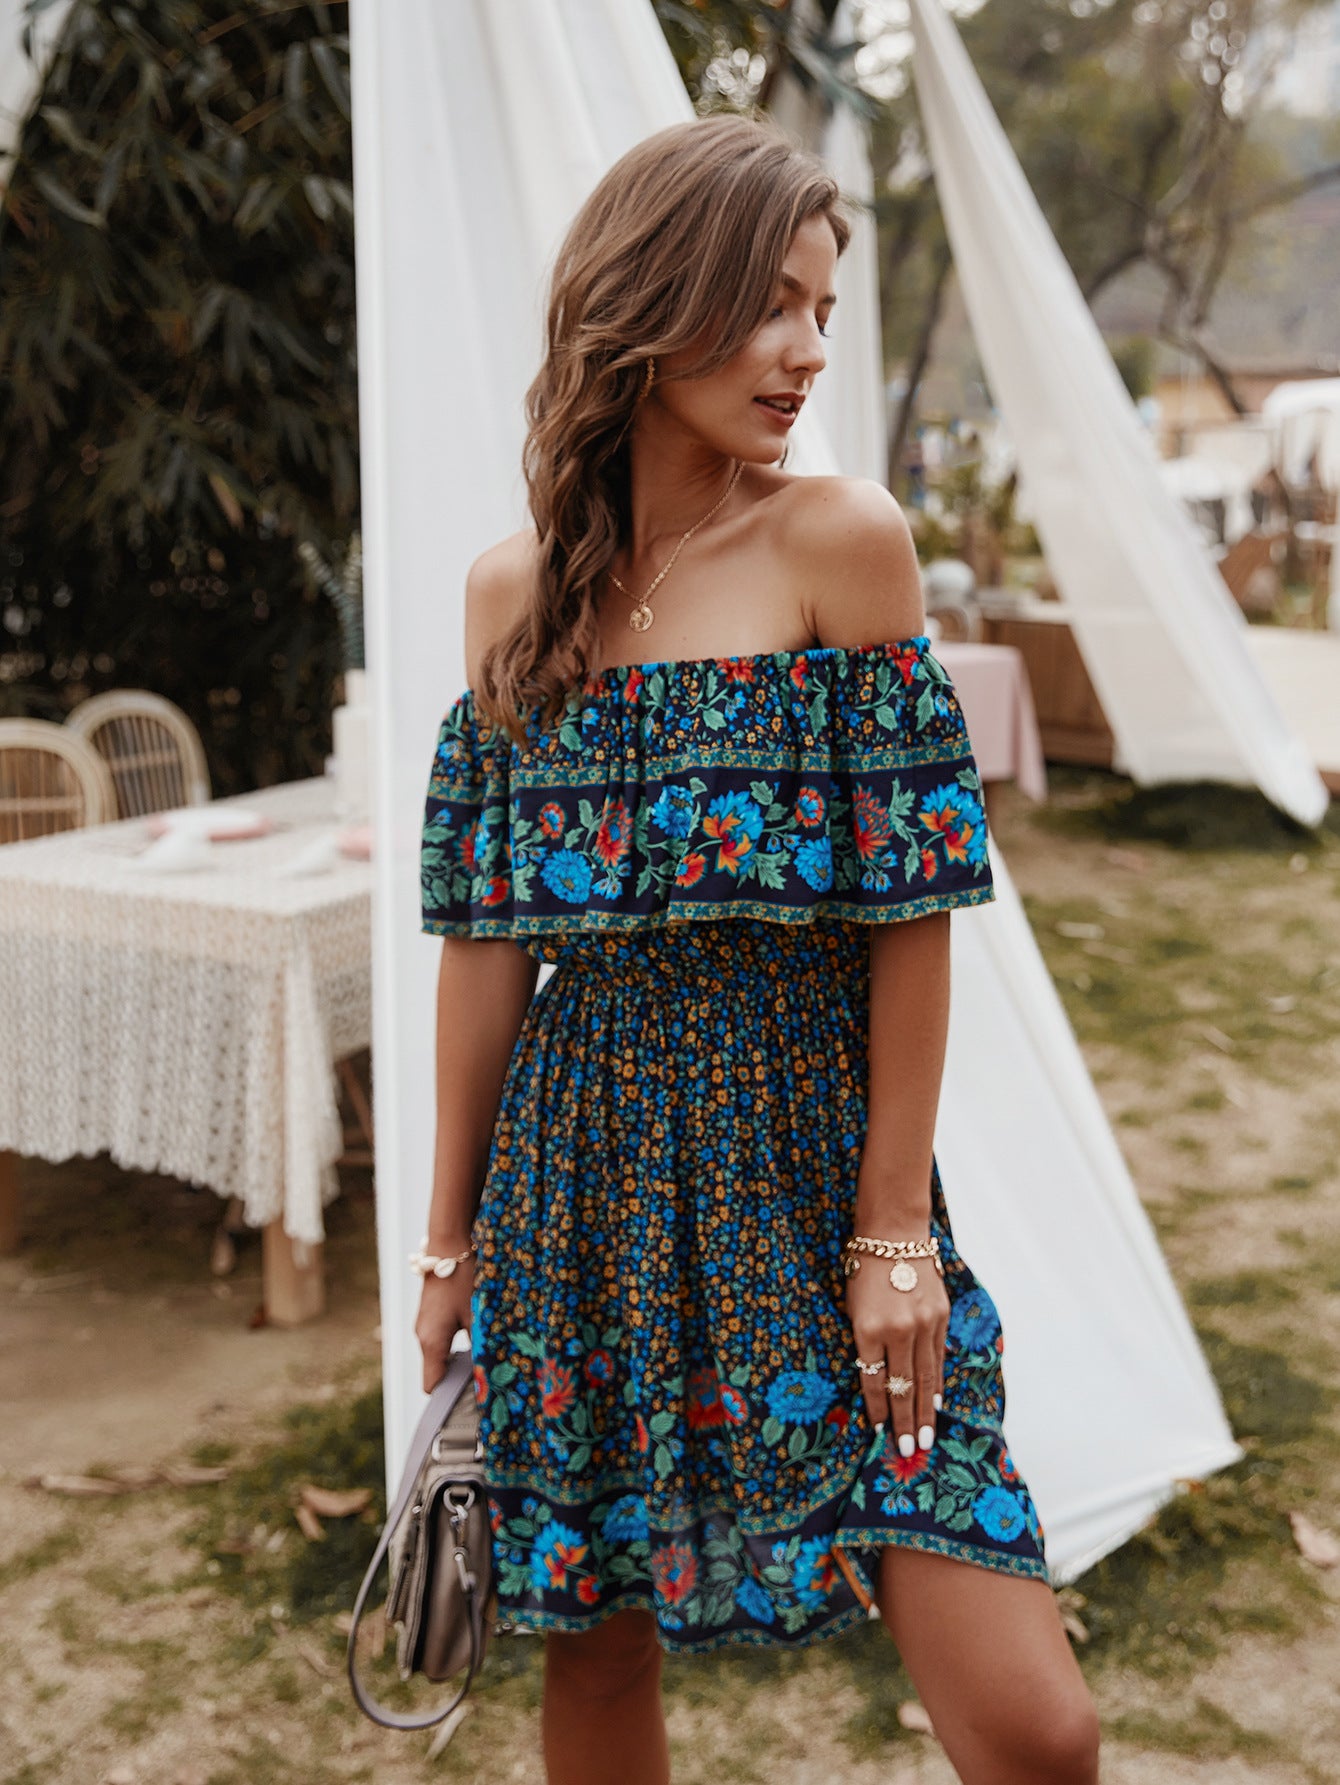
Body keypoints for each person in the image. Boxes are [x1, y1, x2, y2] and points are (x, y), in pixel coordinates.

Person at [415, 114, 1100, 1785]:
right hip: (578, 1177)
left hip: (808, 1154)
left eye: (822, 310)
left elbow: (911, 914)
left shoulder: (841, 543)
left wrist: (894, 1229)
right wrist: (447, 1245)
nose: (805, 350)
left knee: (1038, 1731)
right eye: (771, 305)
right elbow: (486, 952)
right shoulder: (513, 596)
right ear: (652, 303)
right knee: (596, 1655)